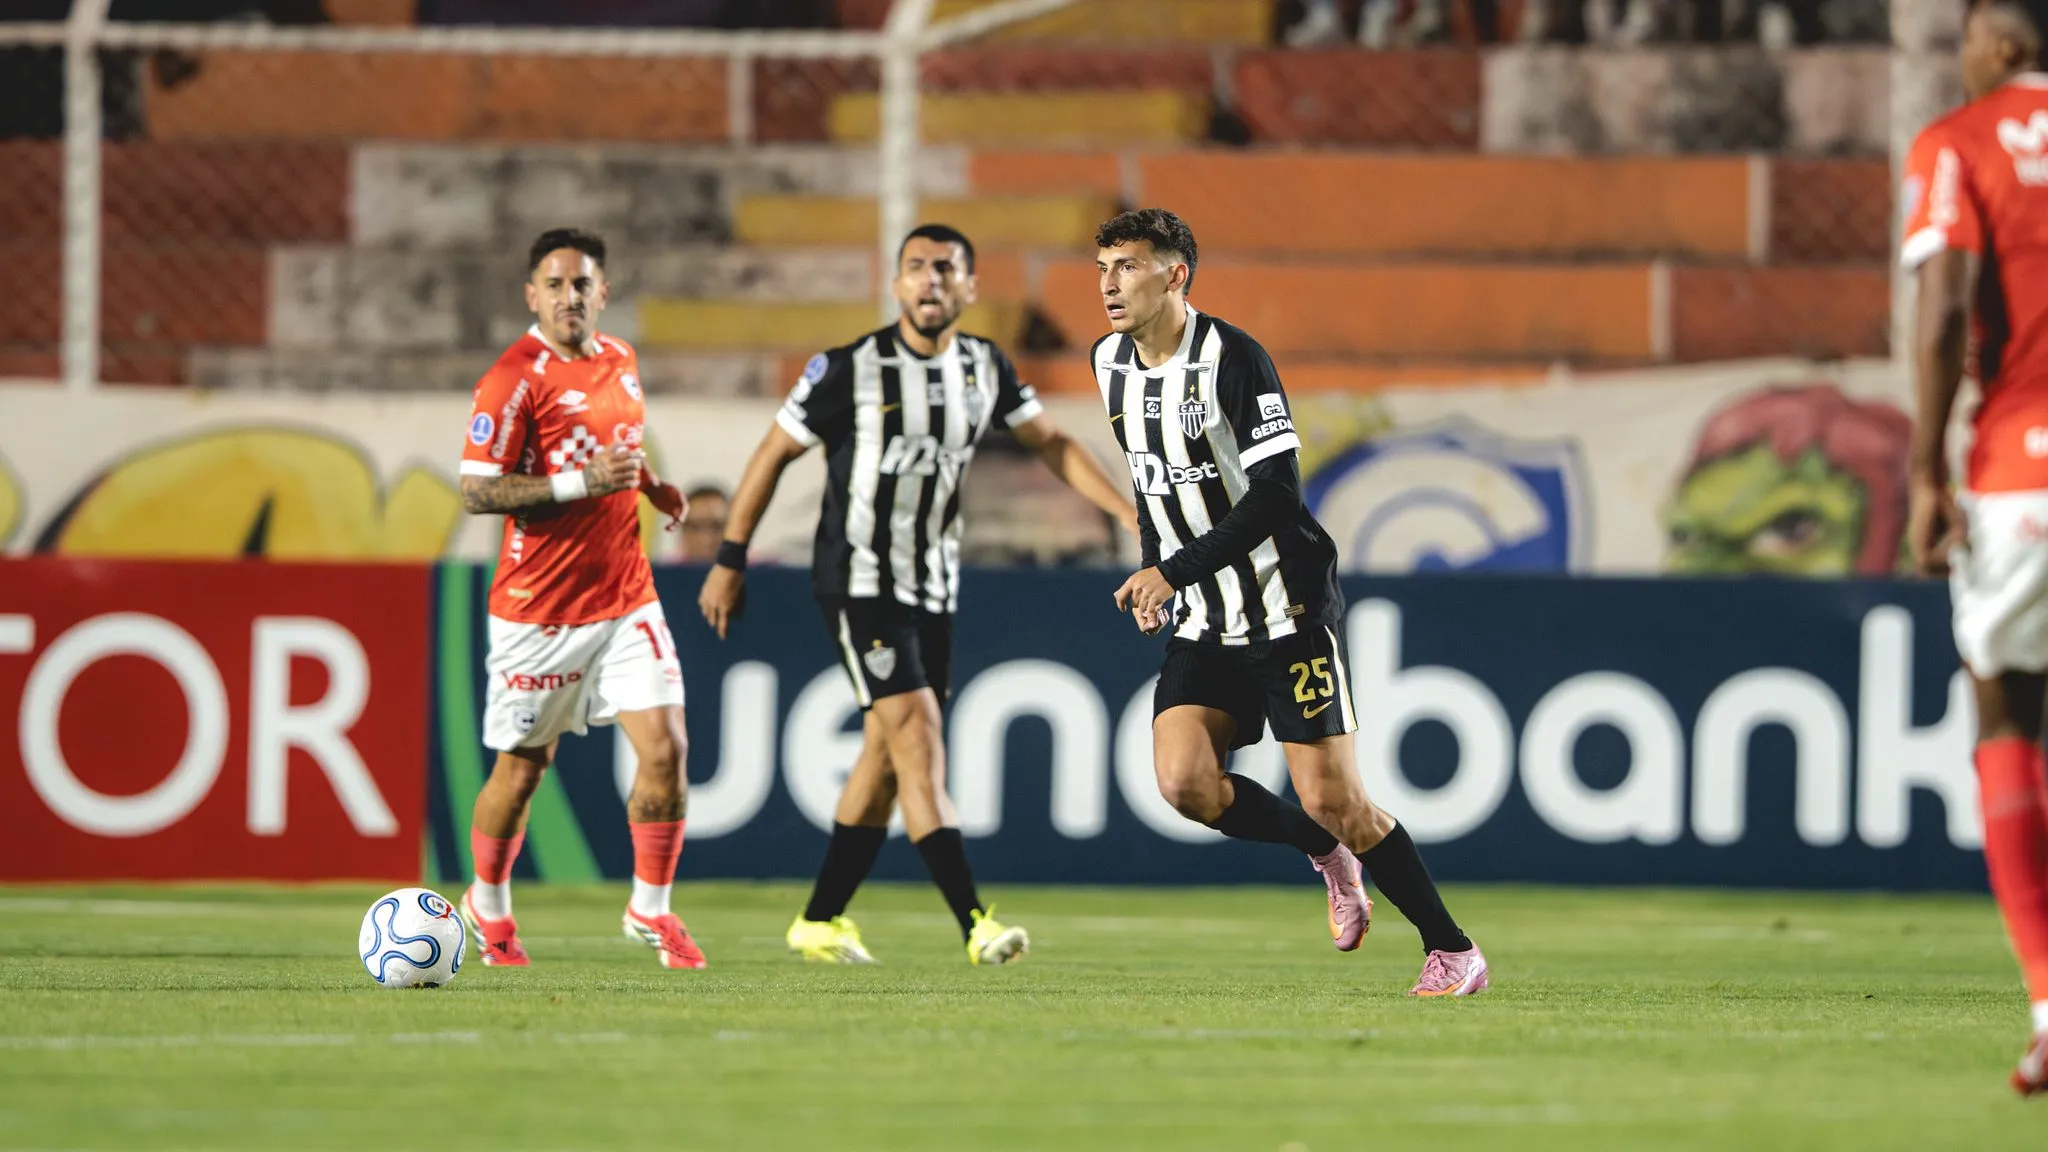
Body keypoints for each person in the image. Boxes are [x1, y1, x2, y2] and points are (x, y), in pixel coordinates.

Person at [698, 224, 1140, 965]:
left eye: (946, 269)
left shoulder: (983, 368)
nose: (930, 280)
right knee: (915, 732)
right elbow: (774, 452)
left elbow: (1053, 442)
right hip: (859, 580)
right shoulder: (851, 368)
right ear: (897, 285)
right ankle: (975, 922)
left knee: (883, 748)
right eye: (916, 269)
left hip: (932, 587)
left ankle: (819, 918)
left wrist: (1125, 510)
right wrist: (730, 556)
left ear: (968, 288)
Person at [1091, 208, 1486, 996]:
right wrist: (1152, 569)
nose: (1109, 285)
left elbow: (1276, 497)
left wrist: (1172, 572)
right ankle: (1327, 854)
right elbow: (1151, 481)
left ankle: (1452, 950)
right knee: (1184, 786)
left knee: (1337, 798)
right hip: (1206, 620)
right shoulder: (1109, 363)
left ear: (1177, 274)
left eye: (1129, 266)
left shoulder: (1233, 359)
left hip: (1286, 609)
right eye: (1102, 268)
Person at [455, 227, 704, 970]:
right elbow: (476, 491)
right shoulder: (512, 379)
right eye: (556, 284)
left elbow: (616, 451)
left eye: (583, 283)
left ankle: (650, 909)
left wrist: (650, 485)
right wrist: (579, 486)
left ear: (604, 291)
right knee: (523, 770)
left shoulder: (621, 360)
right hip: (539, 610)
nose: (571, 296)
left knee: (667, 751)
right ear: (533, 295)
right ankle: (487, 905)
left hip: (627, 596)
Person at [1903, 0, 2048, 1097]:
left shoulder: (1957, 142)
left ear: (1997, 41)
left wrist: (1922, 469)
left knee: (2001, 704)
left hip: (2021, 470)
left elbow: (1945, 303)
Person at [677, 483, 730, 563]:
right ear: (682, 528)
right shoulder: (660, 572)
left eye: (717, 526)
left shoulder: (752, 570)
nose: (706, 540)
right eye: (695, 527)